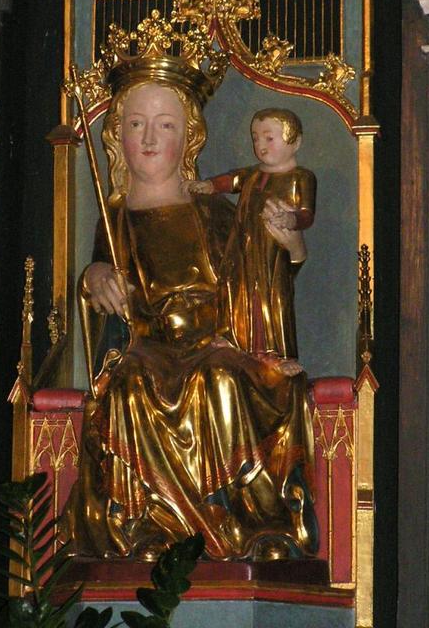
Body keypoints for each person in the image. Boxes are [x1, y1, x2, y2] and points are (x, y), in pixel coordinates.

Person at [58, 58, 318, 562]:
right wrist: (94, 278)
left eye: (165, 125)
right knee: (130, 388)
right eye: (136, 124)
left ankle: (250, 522)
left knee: (220, 380)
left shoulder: (213, 210)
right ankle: (147, 525)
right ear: (116, 136)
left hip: (218, 342)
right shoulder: (116, 217)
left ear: (189, 137)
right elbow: (103, 281)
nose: (149, 138)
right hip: (148, 346)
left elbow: (260, 275)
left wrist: (290, 243)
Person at [187, 108, 316, 374]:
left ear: (295, 142)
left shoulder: (300, 178)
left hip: (273, 252)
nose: (260, 146)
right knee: (236, 291)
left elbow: (306, 214)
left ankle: (276, 352)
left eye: (269, 138)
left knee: (271, 298)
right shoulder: (253, 175)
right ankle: (234, 338)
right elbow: (231, 180)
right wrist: (209, 186)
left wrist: (290, 219)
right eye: (255, 138)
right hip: (242, 248)